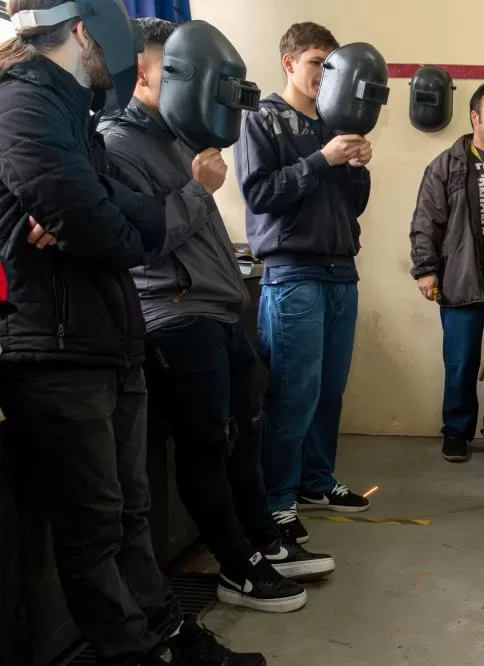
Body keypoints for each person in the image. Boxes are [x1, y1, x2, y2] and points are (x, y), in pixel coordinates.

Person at [0, 1, 261, 664]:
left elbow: (123, 217)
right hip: (55, 350)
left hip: (108, 339)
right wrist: (100, 223)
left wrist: (97, 221)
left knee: (130, 518)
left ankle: (171, 635)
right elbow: (111, 229)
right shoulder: (23, 107)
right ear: (86, 29)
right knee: (92, 532)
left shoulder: (73, 114)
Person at [99, 17, 335, 614]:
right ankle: (237, 567)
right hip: (175, 315)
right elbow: (141, 243)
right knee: (207, 444)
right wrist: (200, 190)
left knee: (244, 437)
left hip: (217, 307)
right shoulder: (116, 143)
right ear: (145, 72)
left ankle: (261, 541)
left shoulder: (183, 137)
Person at [235, 22, 373, 545]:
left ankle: (316, 480)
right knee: (294, 394)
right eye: (317, 62)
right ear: (289, 62)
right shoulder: (262, 119)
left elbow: (351, 204)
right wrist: (322, 160)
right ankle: (277, 499)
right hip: (292, 272)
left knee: (329, 391)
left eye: (330, 64)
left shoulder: (334, 123)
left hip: (341, 269)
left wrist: (358, 166)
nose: (324, 73)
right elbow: (260, 194)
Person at [409, 83, 484, 463]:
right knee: (460, 362)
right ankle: (456, 433)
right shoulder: (448, 164)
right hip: (462, 280)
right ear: (475, 117)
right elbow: (426, 221)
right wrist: (426, 270)